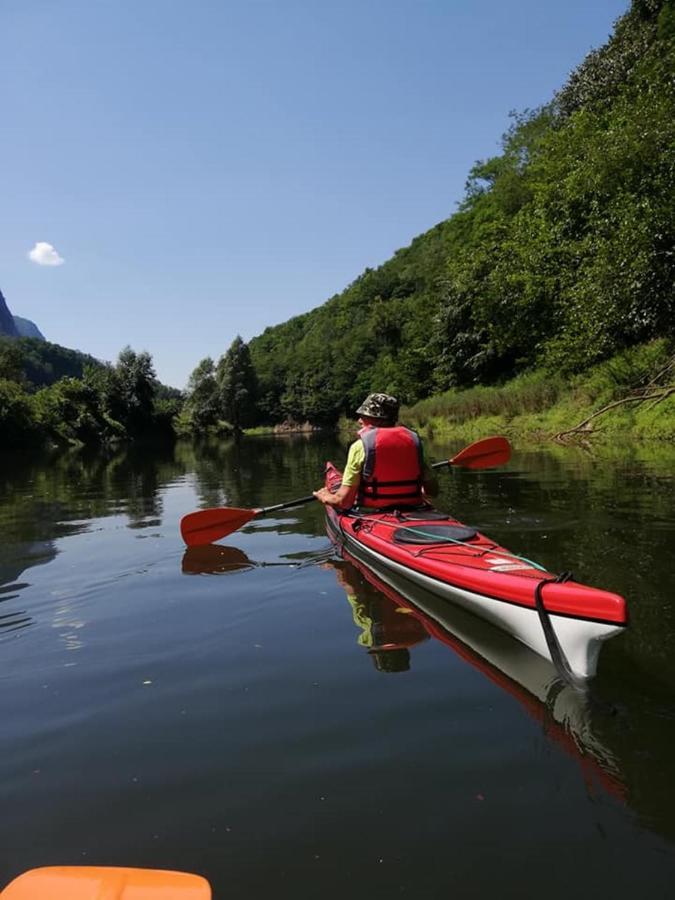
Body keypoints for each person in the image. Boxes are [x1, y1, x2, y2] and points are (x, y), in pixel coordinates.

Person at [313, 392, 439, 510]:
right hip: (413, 509)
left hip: (372, 513)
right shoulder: (416, 442)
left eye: (364, 416)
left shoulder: (360, 446)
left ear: (378, 419)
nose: (359, 420)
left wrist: (325, 496)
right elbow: (432, 491)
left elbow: (344, 502)